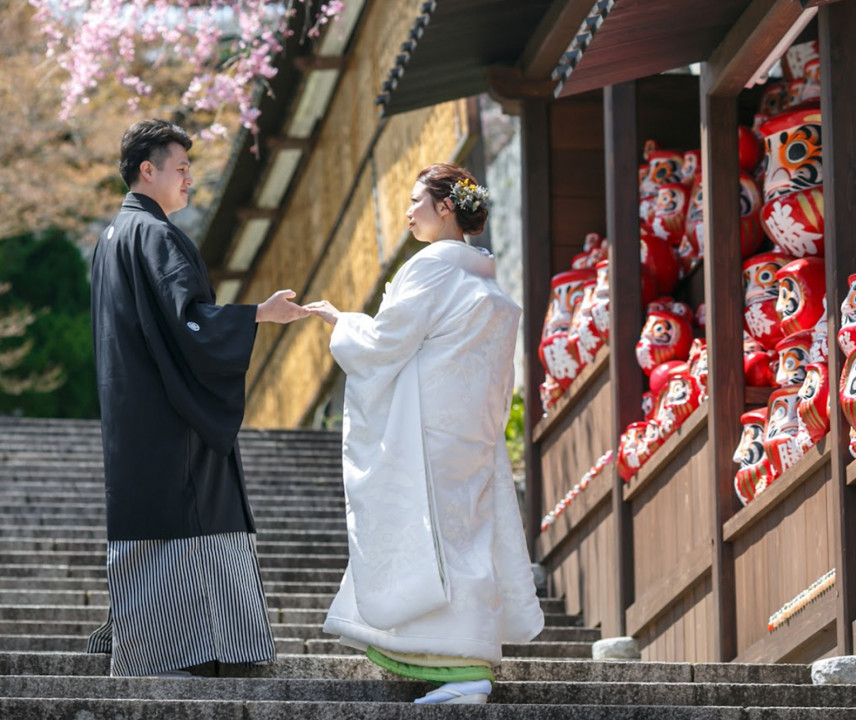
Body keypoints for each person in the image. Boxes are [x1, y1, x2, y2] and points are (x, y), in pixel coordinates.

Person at [306, 164, 544, 705]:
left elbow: (387, 341)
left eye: (417, 200)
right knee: (465, 539)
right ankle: (466, 661)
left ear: (445, 207)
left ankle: (459, 673)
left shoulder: (431, 267)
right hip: (470, 435)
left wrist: (342, 322)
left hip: (429, 433)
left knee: (433, 538)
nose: (409, 211)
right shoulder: (483, 276)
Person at [87, 119, 309, 677]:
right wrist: (258, 313)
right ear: (148, 169)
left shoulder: (112, 238)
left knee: (152, 530)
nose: (191, 180)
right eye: (182, 168)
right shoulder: (155, 235)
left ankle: (149, 645)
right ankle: (205, 651)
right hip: (172, 414)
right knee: (197, 521)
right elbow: (190, 324)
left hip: (132, 419)